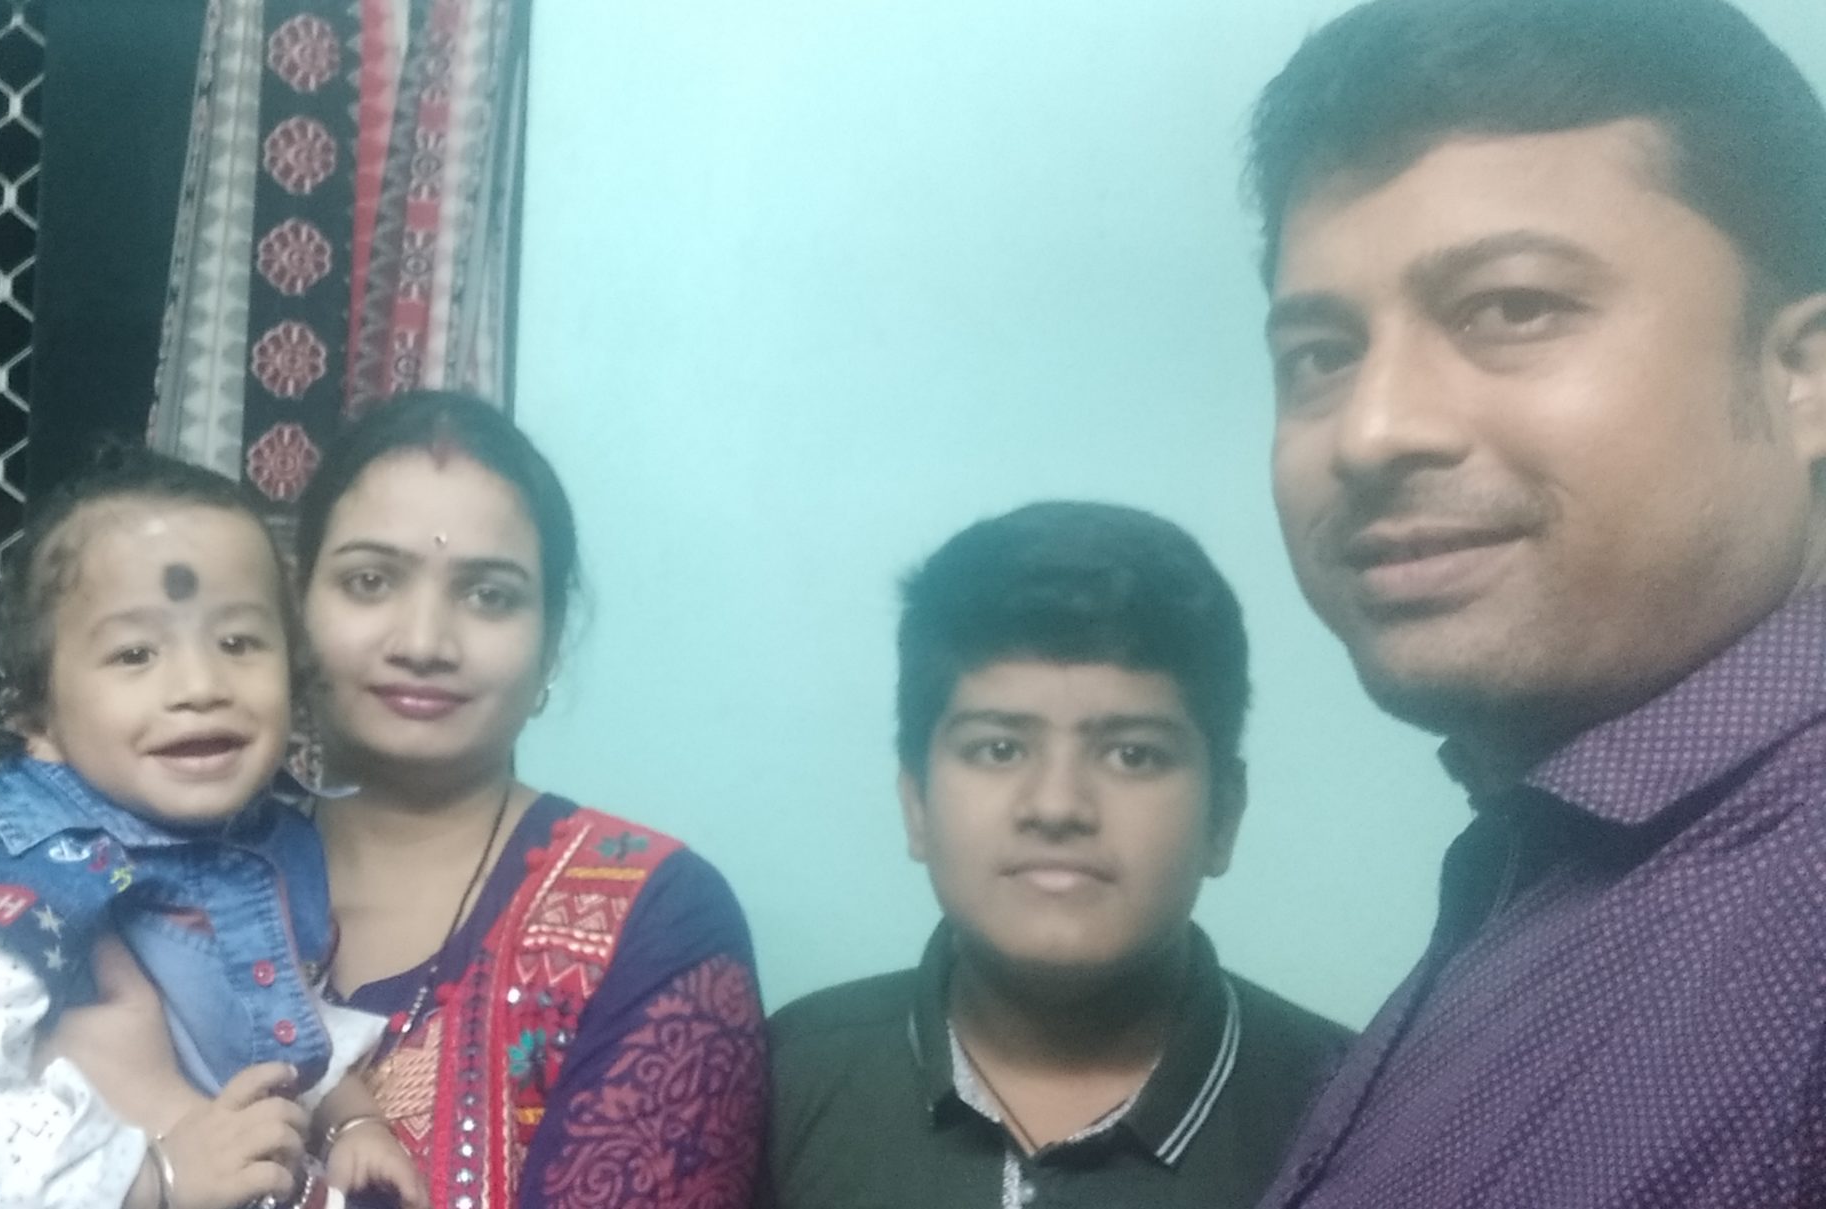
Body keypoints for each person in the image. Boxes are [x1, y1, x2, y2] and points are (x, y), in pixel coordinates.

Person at [1248, 1, 1826, 1204]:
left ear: (1802, 375)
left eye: (1511, 308)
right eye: (1321, 354)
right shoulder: (1551, 869)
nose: (1371, 430)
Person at [51, 391, 771, 1208]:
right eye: (369, 581)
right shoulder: (138, 878)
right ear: (294, 611)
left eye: (489, 594)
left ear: (551, 640)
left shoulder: (656, 919)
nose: (424, 642)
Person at [0, 451, 426, 1209]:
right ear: (33, 715)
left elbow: (274, 1017)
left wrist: (351, 1120)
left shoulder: (266, 853)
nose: (201, 686)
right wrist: (150, 1180)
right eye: (135, 653)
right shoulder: (22, 894)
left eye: (238, 642)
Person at [765, 502, 1351, 1209]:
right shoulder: (776, 1078)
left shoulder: (1358, 1108)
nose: (1057, 805)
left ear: (1222, 815)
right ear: (916, 803)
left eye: (1133, 754)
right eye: (998, 748)